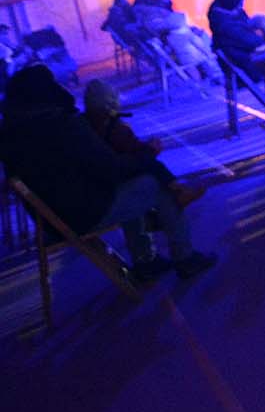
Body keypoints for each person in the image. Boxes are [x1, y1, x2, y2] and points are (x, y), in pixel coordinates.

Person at [0, 65, 216, 281]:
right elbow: (111, 168)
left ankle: (146, 259)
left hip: (53, 220)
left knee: (130, 184)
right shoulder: (62, 124)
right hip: (83, 213)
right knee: (152, 183)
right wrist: (148, 154)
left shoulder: (11, 133)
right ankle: (184, 257)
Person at [82, 80, 205, 207]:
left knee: (151, 168)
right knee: (153, 170)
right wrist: (150, 149)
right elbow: (130, 149)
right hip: (112, 179)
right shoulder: (113, 126)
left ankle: (176, 191)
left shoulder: (85, 121)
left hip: (100, 176)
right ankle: (178, 193)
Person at [206, 0, 262, 78]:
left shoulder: (231, 10)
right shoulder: (222, 19)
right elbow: (248, 40)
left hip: (249, 54)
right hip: (246, 64)